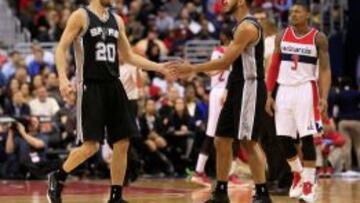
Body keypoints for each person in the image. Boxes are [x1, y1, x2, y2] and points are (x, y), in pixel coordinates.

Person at [47, 0, 176, 203]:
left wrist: (158, 67)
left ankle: (116, 196)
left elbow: (129, 55)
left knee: (122, 142)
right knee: (91, 146)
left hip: (114, 85)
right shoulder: (81, 16)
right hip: (90, 85)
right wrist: (63, 78)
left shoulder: (117, 20)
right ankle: (58, 176)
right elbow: (61, 48)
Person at [177, 0, 273, 202]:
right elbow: (233, 66)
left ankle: (263, 194)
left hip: (250, 86)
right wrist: (229, 89)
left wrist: (193, 68)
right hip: (237, 86)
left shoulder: (247, 26)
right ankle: (221, 191)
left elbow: (225, 61)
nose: (223, 1)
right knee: (221, 139)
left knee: (248, 141)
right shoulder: (238, 26)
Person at [265, 1, 332, 202]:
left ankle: (309, 184)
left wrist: (324, 97)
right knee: (283, 138)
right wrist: (269, 93)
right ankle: (297, 174)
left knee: (307, 138)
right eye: (291, 11)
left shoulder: (318, 38)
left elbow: (325, 70)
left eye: (298, 11)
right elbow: (274, 66)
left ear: (308, 15)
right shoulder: (281, 36)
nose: (293, 14)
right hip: (283, 90)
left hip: (306, 89)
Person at [191, 27, 242, 187]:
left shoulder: (218, 51)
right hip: (224, 92)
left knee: (215, 133)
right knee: (228, 134)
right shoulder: (234, 52)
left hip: (219, 91)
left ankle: (201, 171)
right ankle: (227, 175)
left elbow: (210, 71)